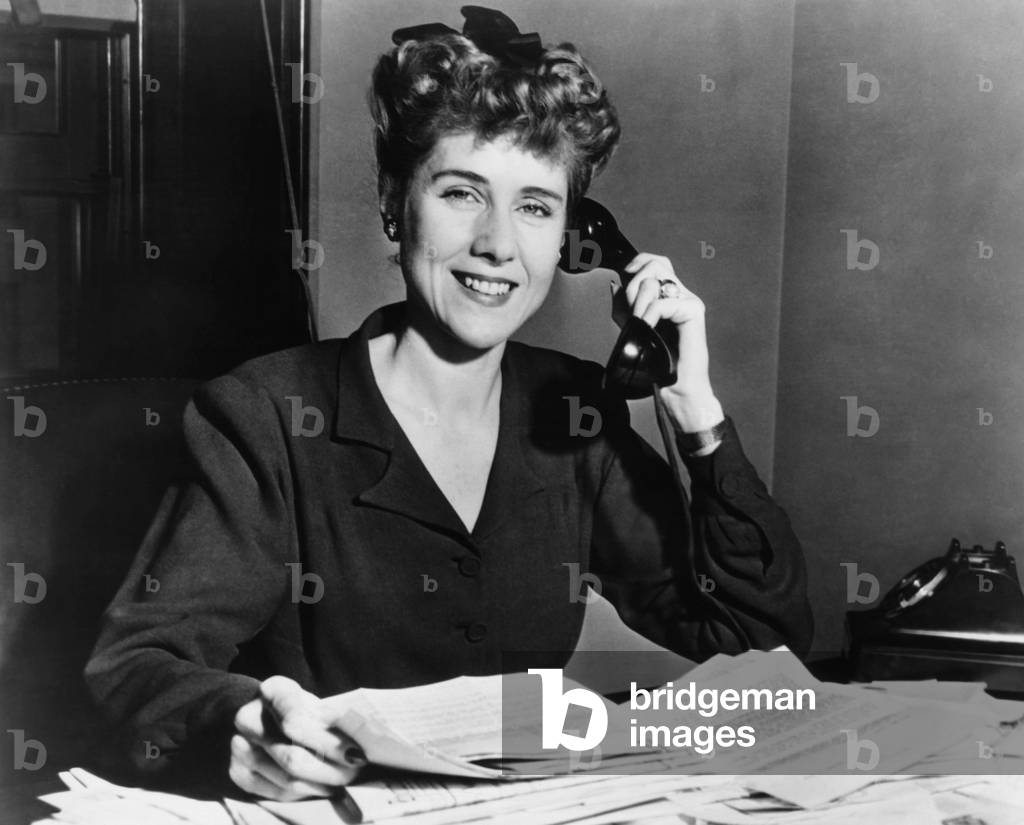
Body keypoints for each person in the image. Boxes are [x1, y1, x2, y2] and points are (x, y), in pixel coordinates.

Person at [85, 7, 812, 802]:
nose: (499, 243)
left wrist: (693, 409)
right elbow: (138, 664)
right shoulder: (265, 414)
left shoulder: (576, 416)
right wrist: (241, 725)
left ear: (573, 239)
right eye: (463, 192)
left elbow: (754, 643)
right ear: (397, 202)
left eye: (535, 206)